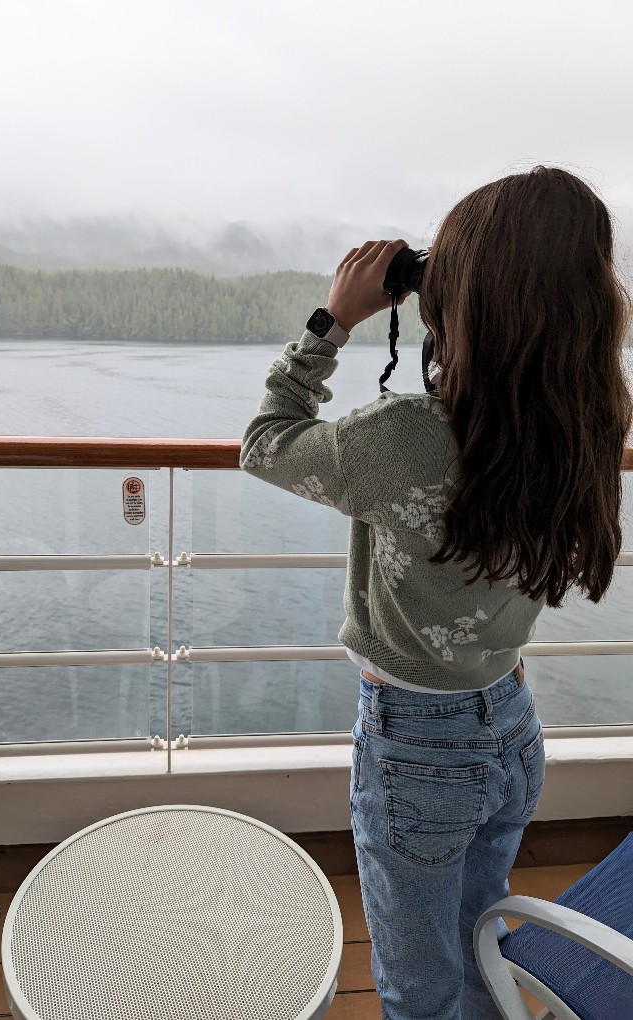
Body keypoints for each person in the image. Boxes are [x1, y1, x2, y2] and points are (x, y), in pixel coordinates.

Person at [240, 166, 632, 1020]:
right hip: (512, 732)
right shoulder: (588, 418)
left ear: (464, 303)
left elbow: (266, 443)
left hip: (416, 749)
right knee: (475, 944)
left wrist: (332, 321)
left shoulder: (406, 437)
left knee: (419, 991)